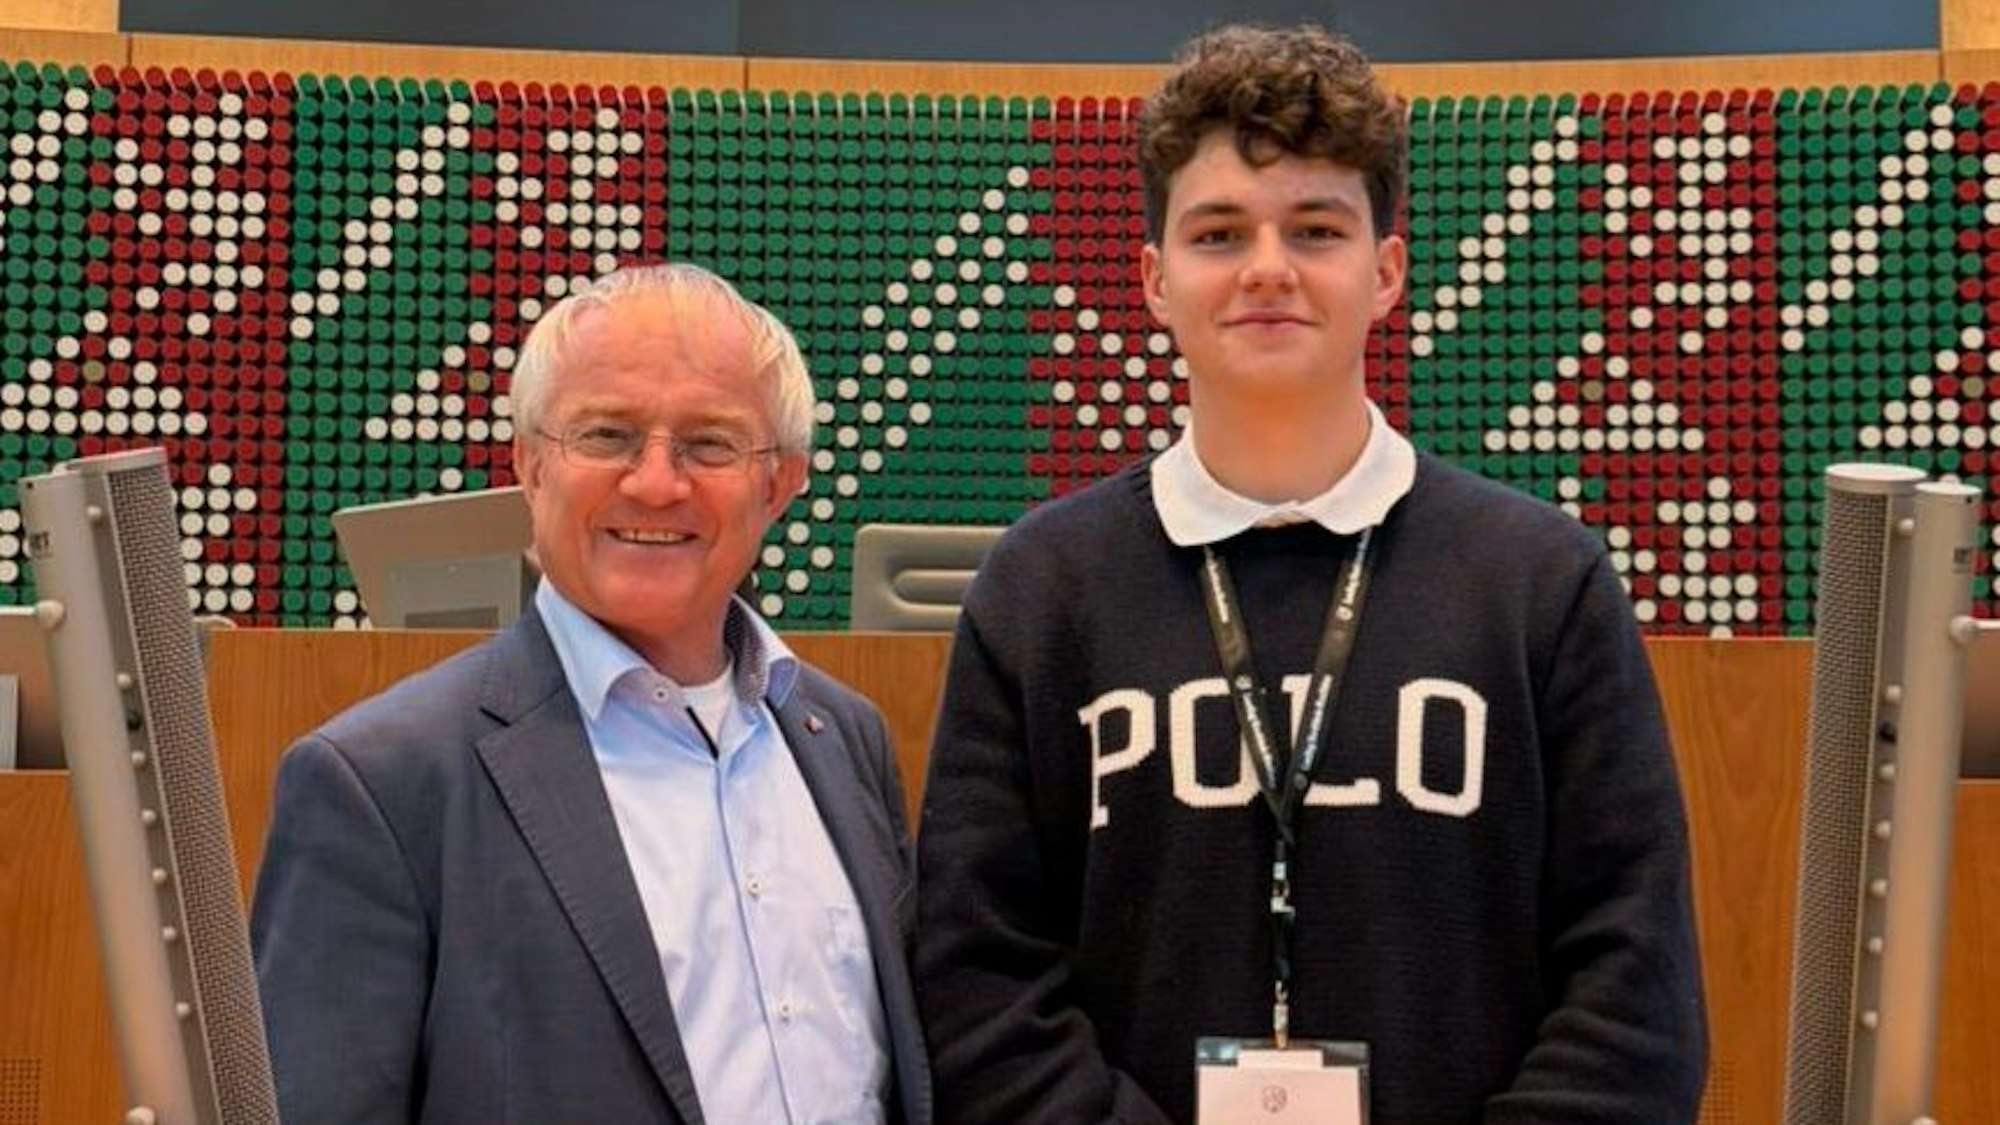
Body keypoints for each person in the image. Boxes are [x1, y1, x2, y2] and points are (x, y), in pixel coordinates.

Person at [914, 24, 1706, 1125]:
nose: (1267, 268)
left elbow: (1633, 981)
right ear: (1153, 279)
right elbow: (976, 977)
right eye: (1219, 232)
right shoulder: (1041, 589)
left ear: (1384, 271)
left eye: (1315, 228)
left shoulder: (1540, 581)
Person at [252, 263, 931, 1125]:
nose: (655, 482)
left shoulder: (844, 739)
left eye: (711, 443)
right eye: (607, 435)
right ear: (530, 464)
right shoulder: (379, 785)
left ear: (781, 482)